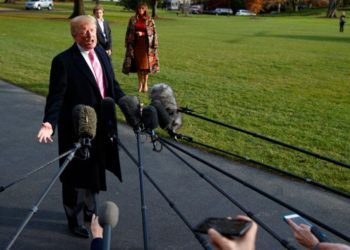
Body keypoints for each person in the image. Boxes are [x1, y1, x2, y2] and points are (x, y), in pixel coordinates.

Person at [37, 15, 125, 239]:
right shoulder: (63, 61)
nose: (90, 35)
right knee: (75, 177)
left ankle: (91, 213)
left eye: (92, 30)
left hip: (100, 127)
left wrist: (127, 104)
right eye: (84, 31)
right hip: (76, 128)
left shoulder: (103, 55)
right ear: (74, 35)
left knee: (94, 171)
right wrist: (49, 123)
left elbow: (112, 86)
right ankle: (73, 219)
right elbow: (56, 97)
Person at [122, 2, 160, 93]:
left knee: (146, 66)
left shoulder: (149, 20)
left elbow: (153, 32)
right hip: (136, 46)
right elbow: (128, 31)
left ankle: (145, 83)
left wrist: (142, 34)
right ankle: (140, 84)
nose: (140, 10)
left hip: (146, 47)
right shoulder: (133, 19)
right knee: (138, 66)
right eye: (139, 9)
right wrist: (127, 42)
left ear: (145, 9)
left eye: (142, 9)